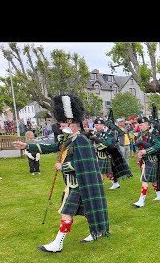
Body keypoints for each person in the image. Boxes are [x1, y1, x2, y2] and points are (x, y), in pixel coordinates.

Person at [13, 93, 109, 252]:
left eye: (61, 122)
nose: (59, 125)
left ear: (71, 124)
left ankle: (58, 244)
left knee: (66, 213)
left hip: (80, 184)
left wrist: (63, 167)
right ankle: (98, 230)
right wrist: (26, 146)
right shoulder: (67, 139)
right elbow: (49, 147)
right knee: (88, 209)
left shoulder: (81, 141)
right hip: (71, 184)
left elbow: (85, 165)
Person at [132, 115, 160, 207]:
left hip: (152, 160)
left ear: (148, 125)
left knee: (145, 179)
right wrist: (138, 153)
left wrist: (145, 151)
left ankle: (141, 201)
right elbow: (136, 145)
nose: (141, 126)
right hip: (144, 160)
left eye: (143, 124)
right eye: (140, 125)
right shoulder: (139, 135)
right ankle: (159, 195)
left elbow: (158, 146)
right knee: (154, 180)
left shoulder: (153, 134)